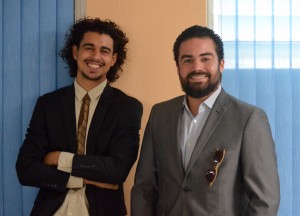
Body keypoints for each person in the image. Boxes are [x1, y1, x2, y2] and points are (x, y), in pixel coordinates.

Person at [131, 25, 280, 215]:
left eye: (205, 59)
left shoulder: (249, 119)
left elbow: (265, 200)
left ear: (221, 64)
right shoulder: (160, 115)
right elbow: (144, 189)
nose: (197, 67)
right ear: (178, 67)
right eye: (187, 60)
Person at [16, 17, 143, 216]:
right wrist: (86, 179)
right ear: (76, 52)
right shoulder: (48, 104)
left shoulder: (127, 108)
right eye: (89, 48)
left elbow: (117, 170)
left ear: (113, 59)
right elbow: (26, 169)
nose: (96, 56)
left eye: (104, 51)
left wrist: (59, 158)